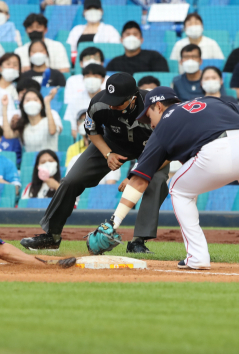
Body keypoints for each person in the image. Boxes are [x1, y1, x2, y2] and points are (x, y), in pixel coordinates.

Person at [89, 86, 239, 269]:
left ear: (158, 106)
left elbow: (139, 180)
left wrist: (113, 222)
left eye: (148, 117)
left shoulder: (165, 122)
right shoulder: (210, 101)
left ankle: (197, 257)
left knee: (178, 188)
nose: (150, 124)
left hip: (217, 151)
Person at [20, 73, 169, 254]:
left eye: (118, 101)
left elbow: (167, 149)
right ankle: (51, 236)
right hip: (112, 143)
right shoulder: (99, 103)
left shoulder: (154, 106)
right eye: (110, 99)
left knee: (156, 181)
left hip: (152, 149)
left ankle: (138, 241)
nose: (112, 105)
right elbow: (92, 131)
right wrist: (108, 154)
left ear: (133, 98)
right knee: (71, 180)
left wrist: (135, 174)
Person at [66, 0, 120, 64]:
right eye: (89, 9)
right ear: (84, 12)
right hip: (81, 65)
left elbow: (115, 51)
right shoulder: (76, 29)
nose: (92, 11)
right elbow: (70, 50)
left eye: (95, 8)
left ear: (101, 11)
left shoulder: (109, 30)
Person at [63, 63, 106, 138]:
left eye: (95, 76)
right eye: (88, 76)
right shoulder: (75, 99)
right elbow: (71, 127)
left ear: (103, 80)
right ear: (83, 79)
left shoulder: (110, 99)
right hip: (81, 140)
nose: (92, 80)